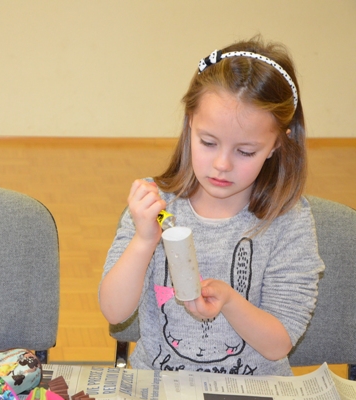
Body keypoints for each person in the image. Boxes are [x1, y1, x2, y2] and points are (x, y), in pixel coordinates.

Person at [99, 36, 324, 376]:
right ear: (190, 121)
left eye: (245, 151)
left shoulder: (288, 222)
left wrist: (231, 302)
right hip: (160, 391)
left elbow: (278, 343)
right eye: (208, 142)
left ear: (278, 143)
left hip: (253, 396)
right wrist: (144, 240)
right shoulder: (156, 205)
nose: (221, 164)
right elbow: (114, 311)